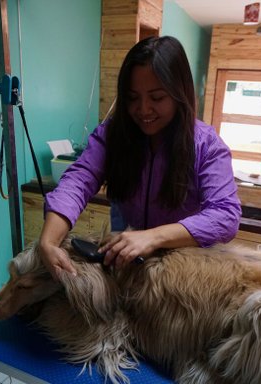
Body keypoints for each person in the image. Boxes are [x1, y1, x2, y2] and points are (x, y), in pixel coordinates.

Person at [38, 35, 241, 279]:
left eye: (157, 98)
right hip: (128, 263)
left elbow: (225, 215)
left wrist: (154, 236)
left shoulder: (207, 145)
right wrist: (48, 242)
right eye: (133, 98)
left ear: (180, 94)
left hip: (185, 273)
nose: (143, 109)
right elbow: (79, 180)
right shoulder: (112, 134)